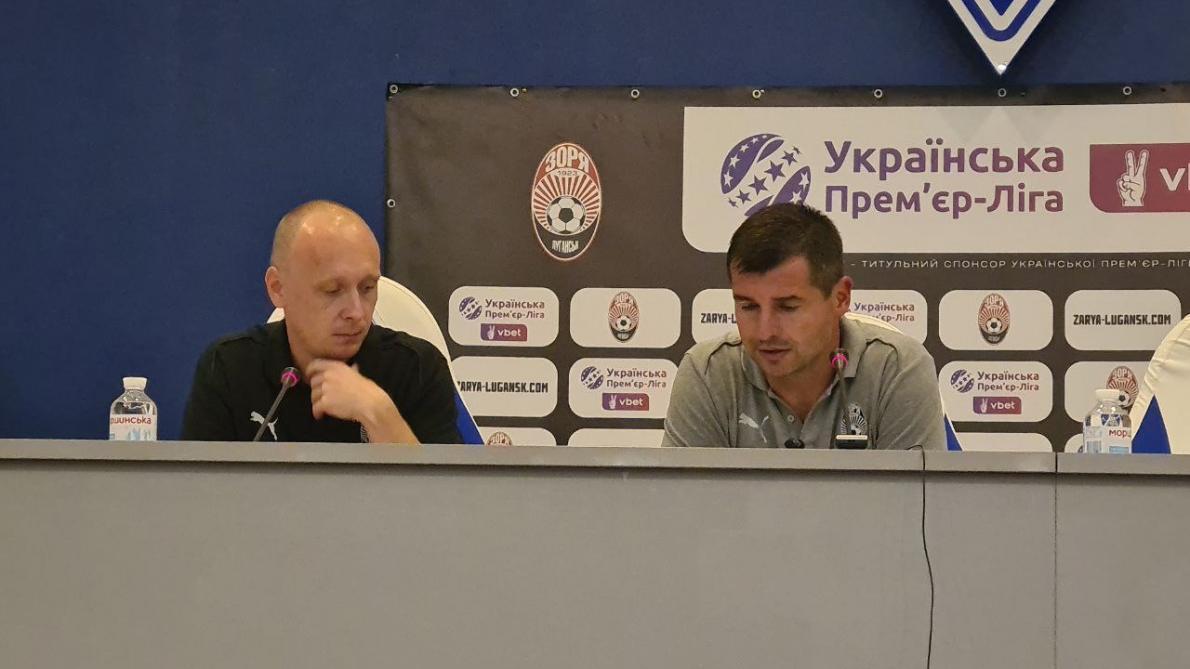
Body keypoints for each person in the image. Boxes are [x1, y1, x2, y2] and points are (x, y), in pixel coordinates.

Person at [662, 203, 945, 450]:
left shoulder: (897, 370)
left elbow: (913, 497)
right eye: (748, 306)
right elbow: (686, 496)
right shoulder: (707, 373)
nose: (765, 332)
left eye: (787, 307)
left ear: (840, 297)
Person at [182, 200, 460, 444]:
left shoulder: (417, 368)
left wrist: (378, 414)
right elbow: (198, 486)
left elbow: (446, 488)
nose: (356, 312)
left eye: (367, 288)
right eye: (332, 290)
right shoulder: (228, 368)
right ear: (278, 288)